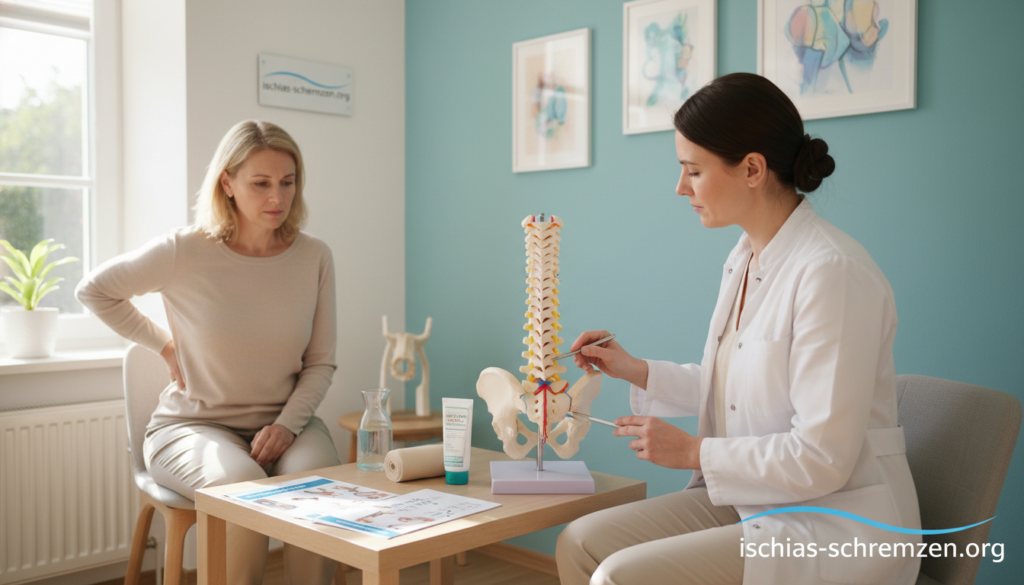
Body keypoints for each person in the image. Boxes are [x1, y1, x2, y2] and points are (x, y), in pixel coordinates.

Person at [556, 73, 922, 585]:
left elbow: (822, 458)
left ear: (752, 168)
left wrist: (691, 451)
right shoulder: (746, 257)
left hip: (836, 522)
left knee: (619, 576)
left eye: (693, 171)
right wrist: (635, 370)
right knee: (579, 543)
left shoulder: (832, 273)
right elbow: (739, 389)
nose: (680, 187)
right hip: (758, 499)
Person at [76, 120, 341, 585]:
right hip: (191, 427)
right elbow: (95, 291)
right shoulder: (184, 250)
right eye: (260, 183)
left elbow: (320, 362)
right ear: (228, 183)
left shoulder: (314, 256)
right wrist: (161, 342)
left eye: (287, 181)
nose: (277, 197)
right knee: (242, 487)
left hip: (287, 424)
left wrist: (285, 425)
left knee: (316, 485)